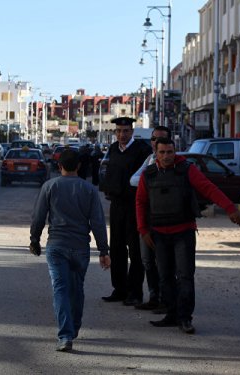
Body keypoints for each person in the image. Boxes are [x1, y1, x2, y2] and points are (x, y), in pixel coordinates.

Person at [137, 138, 240, 334]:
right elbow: (141, 203)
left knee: (185, 276)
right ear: (156, 152)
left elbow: (209, 188)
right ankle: (171, 314)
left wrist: (230, 209)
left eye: (170, 152)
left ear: (175, 151)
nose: (166, 156)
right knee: (165, 277)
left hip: (183, 232)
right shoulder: (149, 175)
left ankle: (185, 318)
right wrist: (143, 230)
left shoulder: (187, 170)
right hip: (159, 234)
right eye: (162, 152)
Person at [30, 149, 110, 352]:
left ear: (59, 166)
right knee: (77, 288)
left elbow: (38, 217)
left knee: (60, 289)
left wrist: (34, 240)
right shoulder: (89, 189)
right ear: (79, 166)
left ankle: (65, 335)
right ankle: (73, 328)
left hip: (57, 245)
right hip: (80, 247)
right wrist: (103, 250)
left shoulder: (50, 186)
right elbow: (98, 222)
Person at [98, 117, 152, 306]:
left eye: (126, 131)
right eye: (119, 131)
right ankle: (119, 289)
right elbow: (106, 173)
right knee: (117, 247)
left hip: (134, 206)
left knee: (135, 250)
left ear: (132, 131)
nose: (122, 134)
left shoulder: (142, 150)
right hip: (117, 205)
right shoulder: (113, 149)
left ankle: (135, 292)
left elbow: (142, 178)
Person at [128, 126, 171, 313]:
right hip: (147, 220)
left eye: (161, 139)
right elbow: (133, 180)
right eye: (154, 139)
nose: (156, 143)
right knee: (147, 261)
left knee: (165, 263)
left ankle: (167, 300)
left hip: (166, 221)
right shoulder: (150, 160)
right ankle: (154, 297)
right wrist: (148, 178)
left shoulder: (175, 164)